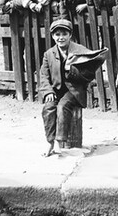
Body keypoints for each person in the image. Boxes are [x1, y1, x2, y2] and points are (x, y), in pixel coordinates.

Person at [38, 19, 99, 157]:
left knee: (63, 106)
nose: (61, 37)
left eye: (64, 34)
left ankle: (59, 142)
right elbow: (43, 75)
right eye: (57, 34)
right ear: (53, 36)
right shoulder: (49, 54)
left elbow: (89, 74)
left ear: (70, 34)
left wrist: (70, 69)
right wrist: (48, 91)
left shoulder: (80, 51)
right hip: (56, 90)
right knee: (48, 108)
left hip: (74, 90)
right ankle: (49, 142)